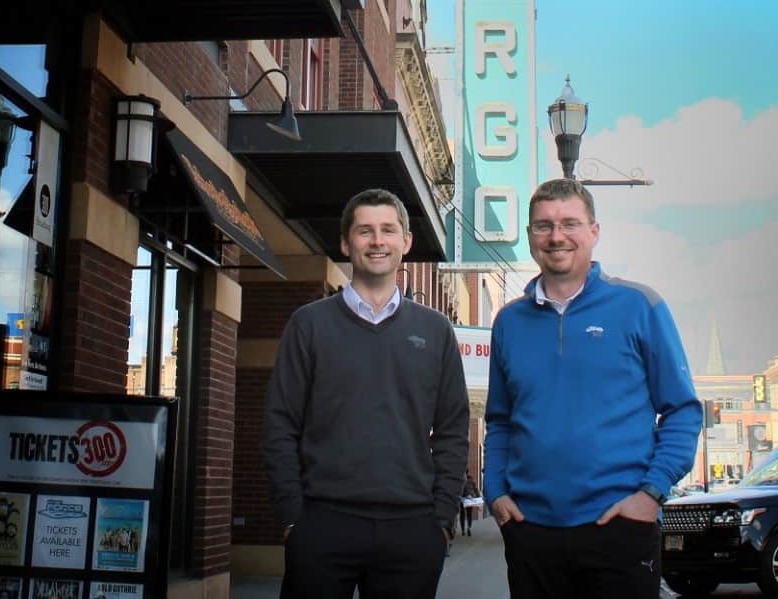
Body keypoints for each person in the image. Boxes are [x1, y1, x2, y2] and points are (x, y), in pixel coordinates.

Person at [484, 178, 702, 599]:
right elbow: (500, 421)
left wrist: (651, 494)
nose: (557, 236)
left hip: (621, 526)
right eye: (544, 225)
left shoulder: (639, 306)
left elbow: (683, 410)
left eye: (570, 223)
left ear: (594, 232)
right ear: (530, 235)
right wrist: (495, 493)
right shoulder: (509, 322)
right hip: (531, 532)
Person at [263, 188, 470, 599]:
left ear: (406, 242)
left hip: (412, 529)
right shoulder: (309, 325)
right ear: (345, 243)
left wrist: (442, 519)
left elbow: (452, 430)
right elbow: (279, 424)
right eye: (365, 231)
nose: (377, 241)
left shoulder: (436, 331)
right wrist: (292, 518)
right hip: (322, 524)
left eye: (388, 230)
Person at [459, 471, 481, 536]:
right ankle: (467, 528)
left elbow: (476, 489)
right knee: (468, 514)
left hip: (465, 499)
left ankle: (464, 530)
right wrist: (478, 499)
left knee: (463, 514)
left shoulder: (462, 479)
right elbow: (476, 490)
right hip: (467, 499)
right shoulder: (470, 480)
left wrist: (479, 500)